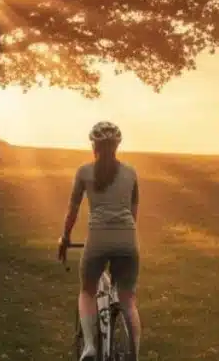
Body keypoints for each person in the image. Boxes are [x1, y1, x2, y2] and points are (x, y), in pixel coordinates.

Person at [57, 120, 141, 361]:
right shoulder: (131, 173)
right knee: (128, 299)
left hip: (98, 239)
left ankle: (90, 347)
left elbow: (73, 211)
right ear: (117, 146)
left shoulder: (84, 172)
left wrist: (65, 238)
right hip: (127, 238)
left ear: (94, 145)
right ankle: (134, 354)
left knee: (87, 291)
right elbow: (133, 213)